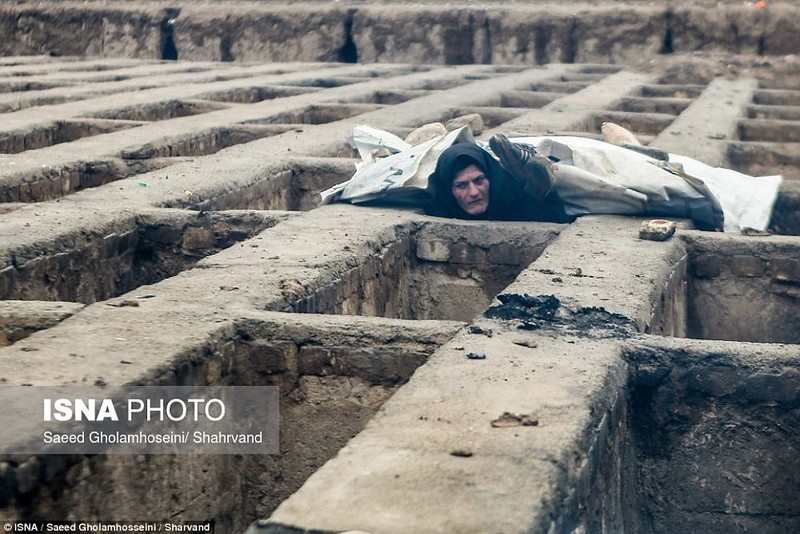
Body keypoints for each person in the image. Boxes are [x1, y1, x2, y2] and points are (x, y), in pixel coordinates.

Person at [426, 134, 574, 223]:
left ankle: (524, 167)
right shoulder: (441, 206)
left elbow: (558, 220)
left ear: (490, 177)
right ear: (448, 189)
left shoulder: (508, 196)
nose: (474, 192)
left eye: (478, 181)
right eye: (461, 185)